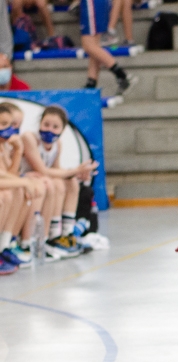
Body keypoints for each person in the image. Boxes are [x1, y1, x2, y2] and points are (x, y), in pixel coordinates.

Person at [20, 104, 98, 257]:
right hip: (28, 179)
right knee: (55, 184)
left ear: (62, 130)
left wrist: (77, 174)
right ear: (40, 123)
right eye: (46, 124)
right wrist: (74, 171)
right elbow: (42, 170)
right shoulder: (30, 138)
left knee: (71, 183)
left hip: (43, 180)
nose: (49, 129)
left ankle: (66, 233)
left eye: (55, 127)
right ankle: (50, 236)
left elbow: (56, 170)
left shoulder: (57, 145)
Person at [0, 102, 41, 271]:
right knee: (6, 195)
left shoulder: (3, 146)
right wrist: (24, 181)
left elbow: (9, 173)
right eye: (3, 124)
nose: (9, 129)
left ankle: (5, 245)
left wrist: (17, 151)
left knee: (18, 190)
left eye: (10, 125)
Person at [78, 0, 136, 93]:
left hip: (92, 3)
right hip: (96, 4)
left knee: (88, 45)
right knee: (94, 45)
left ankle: (122, 75)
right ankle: (91, 82)